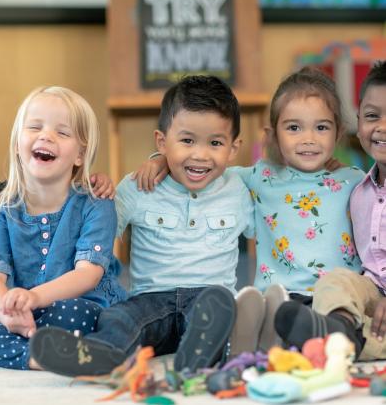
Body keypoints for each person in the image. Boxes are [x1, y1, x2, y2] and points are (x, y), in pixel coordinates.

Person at [29, 75, 255, 376]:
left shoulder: (240, 188)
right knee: (118, 318)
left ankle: (198, 354)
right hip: (150, 300)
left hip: (208, 299)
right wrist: (98, 188)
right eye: (186, 141)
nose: (200, 154)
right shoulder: (138, 187)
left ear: (234, 147)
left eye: (215, 143)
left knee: (222, 312)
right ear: (162, 142)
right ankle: (99, 353)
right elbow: (97, 225)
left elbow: (283, 179)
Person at [132, 67, 365, 355]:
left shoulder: (355, 181)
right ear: (271, 135)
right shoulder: (258, 177)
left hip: (338, 297)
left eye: (321, 127)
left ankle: (324, 337)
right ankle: (297, 341)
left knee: (347, 318)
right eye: (294, 127)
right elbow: (202, 167)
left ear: (338, 133)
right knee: (272, 318)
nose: (308, 138)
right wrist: (162, 160)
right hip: (281, 297)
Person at [0, 86, 126, 370]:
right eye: (35, 127)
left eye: (62, 133)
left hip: (75, 305)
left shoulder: (96, 203)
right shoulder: (5, 208)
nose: (46, 135)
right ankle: (34, 355)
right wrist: (5, 313)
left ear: (80, 154)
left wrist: (35, 297)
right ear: (17, 143)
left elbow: (88, 275)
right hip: (18, 312)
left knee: (79, 315)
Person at [274, 60, 386, 361]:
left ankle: (335, 343)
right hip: (369, 292)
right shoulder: (358, 190)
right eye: (372, 116)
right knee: (334, 280)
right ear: (358, 121)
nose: (382, 127)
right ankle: (337, 331)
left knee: (375, 337)